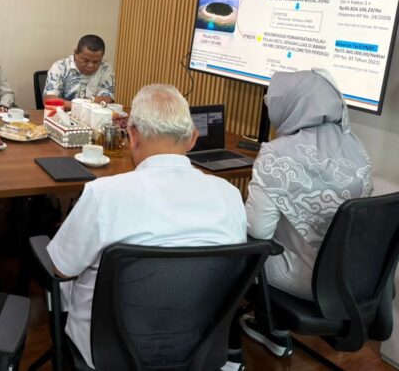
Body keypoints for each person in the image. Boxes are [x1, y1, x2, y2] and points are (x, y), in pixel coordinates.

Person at [46, 84, 247, 369]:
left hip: (109, 352)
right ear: (192, 139)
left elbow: (61, 269)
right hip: (196, 347)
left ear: (133, 135)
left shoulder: (104, 194)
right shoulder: (230, 196)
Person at [239, 69, 372, 357]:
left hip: (303, 280)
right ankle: (271, 328)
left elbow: (257, 231)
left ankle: (228, 344)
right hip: (350, 279)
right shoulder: (357, 148)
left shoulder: (278, 153)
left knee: (231, 248)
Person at [43, 34, 115, 110]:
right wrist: (86, 105)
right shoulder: (60, 67)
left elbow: (107, 99)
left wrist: (76, 105)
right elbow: (49, 100)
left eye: (96, 62)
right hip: (62, 117)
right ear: (76, 53)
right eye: (86, 60)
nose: (90, 65)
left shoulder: (105, 68)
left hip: (93, 118)